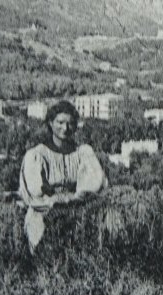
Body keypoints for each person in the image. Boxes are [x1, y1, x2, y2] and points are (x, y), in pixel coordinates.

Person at [19, 100, 108, 253]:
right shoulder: (37, 155)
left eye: (70, 123)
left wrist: (74, 199)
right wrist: (57, 200)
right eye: (60, 122)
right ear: (50, 123)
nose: (65, 128)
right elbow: (34, 192)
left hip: (79, 213)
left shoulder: (83, 153)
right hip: (43, 216)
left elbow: (95, 184)